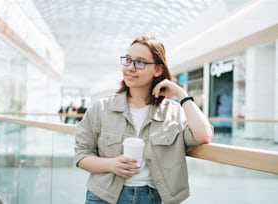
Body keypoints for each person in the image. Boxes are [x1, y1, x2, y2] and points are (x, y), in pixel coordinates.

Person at [74, 36, 213, 204]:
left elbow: (203, 135)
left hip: (151, 198)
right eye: (128, 60)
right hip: (103, 197)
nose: (130, 68)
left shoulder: (173, 112)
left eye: (140, 62)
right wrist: (111, 165)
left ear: (157, 70)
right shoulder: (101, 109)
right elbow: (82, 156)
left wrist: (181, 94)